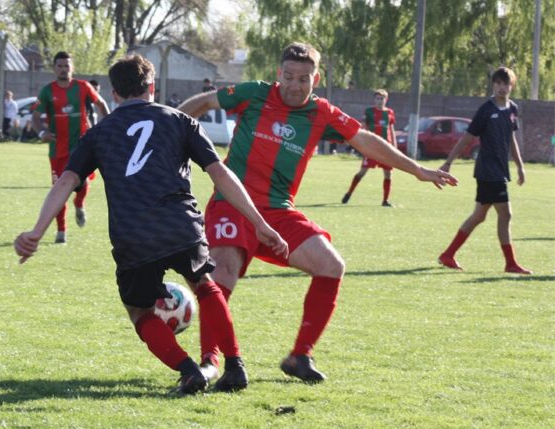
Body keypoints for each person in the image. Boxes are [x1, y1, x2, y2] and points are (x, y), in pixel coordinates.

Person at [178, 42, 457, 383]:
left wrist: (417, 169)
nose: (295, 86)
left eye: (304, 79)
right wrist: (169, 129)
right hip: (232, 204)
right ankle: (211, 361)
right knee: (223, 274)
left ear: (316, 78)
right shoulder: (254, 94)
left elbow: (365, 139)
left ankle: (300, 356)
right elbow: (204, 102)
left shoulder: (321, 112)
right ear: (278, 74)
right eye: (289, 77)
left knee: (331, 265)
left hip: (279, 212)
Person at [15, 54, 288, 395]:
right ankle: (234, 366)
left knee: (139, 310)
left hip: (134, 235)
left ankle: (190, 372)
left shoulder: (99, 133)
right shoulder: (180, 121)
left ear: (114, 94)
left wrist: (36, 232)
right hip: (180, 224)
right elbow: (220, 173)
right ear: (152, 87)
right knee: (204, 283)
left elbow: (66, 182)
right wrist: (259, 222)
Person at [437, 67, 531, 275]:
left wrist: (520, 165)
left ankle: (448, 254)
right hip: (488, 170)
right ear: (493, 85)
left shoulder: (512, 109)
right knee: (505, 214)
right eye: (497, 83)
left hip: (499, 169)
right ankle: (510, 263)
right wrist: (448, 163)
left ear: (511, 86)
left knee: (479, 216)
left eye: (505, 83)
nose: (501, 87)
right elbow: (467, 138)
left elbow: (511, 139)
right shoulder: (486, 110)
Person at [32, 51, 110, 243]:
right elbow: (35, 116)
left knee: (83, 184)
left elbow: (101, 103)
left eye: (67, 66)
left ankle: (79, 204)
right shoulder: (47, 91)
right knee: (59, 190)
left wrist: (108, 126)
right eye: (60, 66)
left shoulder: (83, 87)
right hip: (57, 151)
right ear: (54, 68)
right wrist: (42, 133)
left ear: (72, 68)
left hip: (82, 147)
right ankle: (61, 232)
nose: (63, 69)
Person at [342, 89, 397, 207]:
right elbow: (363, 127)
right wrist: (362, 143)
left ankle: (385, 200)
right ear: (374, 100)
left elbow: (391, 130)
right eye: (377, 98)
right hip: (372, 147)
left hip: (386, 148)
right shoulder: (369, 112)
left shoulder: (390, 113)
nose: (380, 101)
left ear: (386, 100)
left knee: (388, 174)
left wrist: (394, 146)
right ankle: (349, 193)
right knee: (362, 172)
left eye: (382, 98)